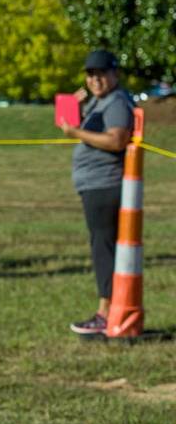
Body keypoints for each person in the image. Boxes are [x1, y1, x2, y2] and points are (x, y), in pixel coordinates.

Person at [61, 50, 134, 335]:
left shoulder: (115, 102)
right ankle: (110, 308)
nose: (95, 79)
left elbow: (117, 140)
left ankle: (106, 312)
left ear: (115, 74)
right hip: (94, 184)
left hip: (105, 185)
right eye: (90, 74)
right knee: (101, 245)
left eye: (101, 73)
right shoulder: (99, 101)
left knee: (103, 248)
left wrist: (76, 134)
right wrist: (74, 110)